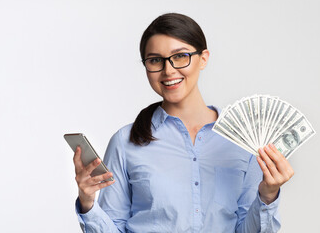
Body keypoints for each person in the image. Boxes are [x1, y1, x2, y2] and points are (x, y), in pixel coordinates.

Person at [73, 13, 294, 233]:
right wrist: (88, 203)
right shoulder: (125, 142)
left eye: (180, 56)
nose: (168, 70)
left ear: (204, 58)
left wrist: (268, 195)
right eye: (155, 60)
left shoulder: (242, 141)